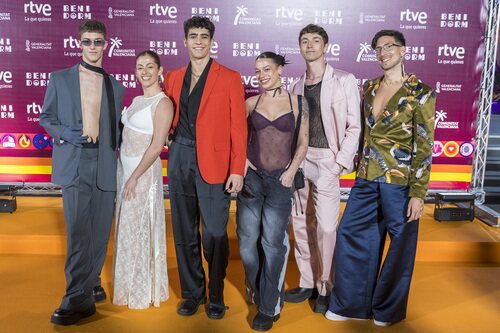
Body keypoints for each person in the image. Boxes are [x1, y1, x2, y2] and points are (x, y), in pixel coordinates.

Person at [326, 29, 435, 326]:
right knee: (349, 232)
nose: (383, 51)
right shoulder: (370, 87)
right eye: (378, 48)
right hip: (367, 176)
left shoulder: (421, 92)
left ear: (403, 51)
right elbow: (364, 133)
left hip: (399, 182)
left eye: (390, 46)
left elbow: (424, 145)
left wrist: (418, 192)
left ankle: (386, 309)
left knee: (400, 244)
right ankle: (351, 305)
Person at [39, 19, 125, 325]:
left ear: (105, 45)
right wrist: (64, 133)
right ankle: (76, 299)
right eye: (87, 41)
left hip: (104, 165)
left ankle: (89, 285)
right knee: (78, 234)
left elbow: (119, 131)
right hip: (74, 163)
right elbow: (45, 117)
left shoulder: (116, 86)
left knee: (100, 235)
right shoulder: (60, 79)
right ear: (79, 44)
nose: (92, 47)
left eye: (97, 41)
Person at [163, 16, 247, 320]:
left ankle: (216, 294)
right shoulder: (173, 76)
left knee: (213, 232)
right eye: (193, 36)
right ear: (184, 41)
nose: (198, 41)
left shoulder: (229, 77)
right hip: (180, 156)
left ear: (212, 41)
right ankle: (192, 294)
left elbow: (239, 128)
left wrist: (237, 168)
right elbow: (166, 116)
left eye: (204, 36)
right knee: (184, 231)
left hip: (215, 162)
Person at [285, 24, 361, 314]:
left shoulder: (344, 80)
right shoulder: (295, 85)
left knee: (327, 228)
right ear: (300, 47)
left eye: (315, 40)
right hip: (302, 160)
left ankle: (325, 286)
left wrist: (341, 161)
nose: (310, 45)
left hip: (329, 160)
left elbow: (354, 125)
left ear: (325, 46)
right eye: (304, 41)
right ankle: (306, 282)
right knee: (302, 224)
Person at [236, 52, 309, 331]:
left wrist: (291, 172)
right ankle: (255, 284)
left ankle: (267, 307)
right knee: (246, 244)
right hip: (253, 180)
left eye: (267, 69)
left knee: (272, 245)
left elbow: (302, 142)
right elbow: (238, 138)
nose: (262, 74)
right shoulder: (251, 103)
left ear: (280, 69)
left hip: (281, 181)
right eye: (258, 71)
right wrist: (242, 162)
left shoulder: (298, 103)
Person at [112, 50, 174, 309]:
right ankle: (125, 285)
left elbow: (157, 145)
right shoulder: (136, 99)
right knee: (126, 231)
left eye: (150, 66)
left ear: (160, 70)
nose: (145, 71)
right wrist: (125, 175)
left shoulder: (163, 103)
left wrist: (134, 177)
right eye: (140, 67)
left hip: (142, 176)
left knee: (140, 230)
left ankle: (142, 289)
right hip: (124, 173)